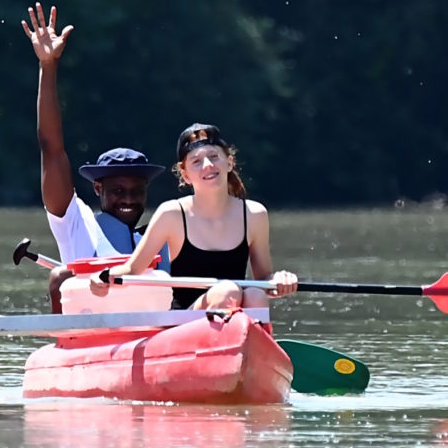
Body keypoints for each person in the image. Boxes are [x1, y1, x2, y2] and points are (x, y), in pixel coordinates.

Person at [20, 4, 164, 309]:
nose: (128, 199)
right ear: (98, 188)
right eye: (118, 190)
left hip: (148, 333)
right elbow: (51, 148)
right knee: (60, 276)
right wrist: (48, 66)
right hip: (89, 332)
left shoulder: (159, 238)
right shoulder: (76, 223)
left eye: (136, 191)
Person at [96, 123, 298, 311]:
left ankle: (250, 338)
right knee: (227, 291)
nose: (208, 165)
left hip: (232, 312)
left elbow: (264, 280)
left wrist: (280, 280)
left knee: (255, 295)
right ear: (185, 175)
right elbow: (131, 270)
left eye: (214, 156)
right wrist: (102, 277)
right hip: (182, 321)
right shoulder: (171, 214)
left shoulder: (255, 214)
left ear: (229, 163)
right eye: (196, 161)